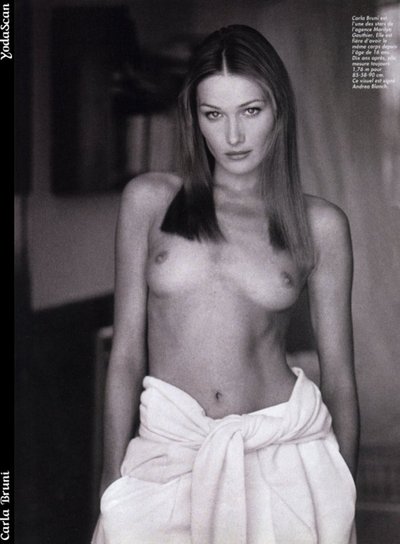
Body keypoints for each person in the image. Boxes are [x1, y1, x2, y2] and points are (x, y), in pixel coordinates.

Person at [92, 24, 359, 544]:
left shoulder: (319, 225)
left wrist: (342, 495)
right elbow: (125, 355)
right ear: (194, 118)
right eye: (213, 114)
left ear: (279, 110)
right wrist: (111, 477)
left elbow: (341, 380)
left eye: (250, 111)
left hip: (285, 460)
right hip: (169, 456)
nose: (233, 136)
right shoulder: (149, 201)